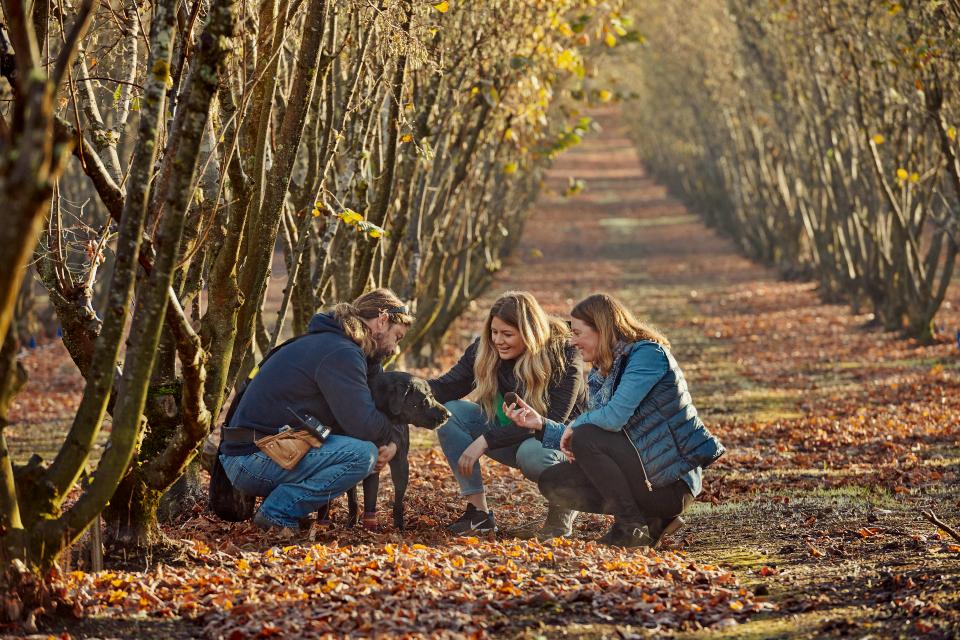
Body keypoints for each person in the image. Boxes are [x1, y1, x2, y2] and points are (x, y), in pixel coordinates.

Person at [505, 293, 725, 547]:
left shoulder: (648, 355)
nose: (573, 342)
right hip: (644, 475)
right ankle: (650, 520)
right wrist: (541, 425)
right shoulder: (602, 371)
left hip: (671, 484)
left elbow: (613, 418)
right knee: (554, 481)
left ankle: (631, 527)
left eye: (578, 333)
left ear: (602, 329)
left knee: (586, 434)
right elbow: (593, 433)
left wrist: (577, 428)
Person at [219, 288, 415, 532]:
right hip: (252, 459)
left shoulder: (340, 346)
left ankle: (283, 507)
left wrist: (393, 439)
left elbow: (376, 402)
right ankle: (277, 513)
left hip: (261, 452)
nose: (395, 348)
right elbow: (363, 423)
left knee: (362, 448)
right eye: (397, 337)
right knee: (362, 454)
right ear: (382, 321)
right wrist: (388, 438)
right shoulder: (341, 353)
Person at [429, 291, 586, 535]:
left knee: (531, 454)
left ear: (529, 333)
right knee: (452, 412)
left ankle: (563, 506)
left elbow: (554, 422)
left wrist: (485, 440)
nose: (498, 340)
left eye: (508, 334)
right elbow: (446, 387)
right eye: (494, 332)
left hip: (563, 444)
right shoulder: (486, 350)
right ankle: (478, 514)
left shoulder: (563, 354)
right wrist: (403, 389)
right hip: (515, 433)